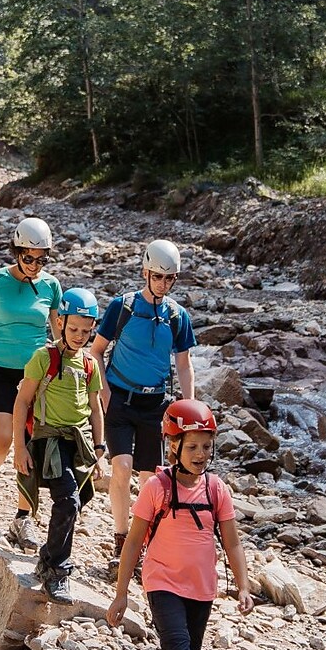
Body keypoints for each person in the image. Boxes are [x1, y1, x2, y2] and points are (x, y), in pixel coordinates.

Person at [107, 399, 254, 650]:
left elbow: (233, 542)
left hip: (202, 590)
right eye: (192, 446)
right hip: (162, 584)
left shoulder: (217, 490)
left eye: (206, 446)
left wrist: (243, 586)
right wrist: (121, 593)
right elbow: (134, 542)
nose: (200, 454)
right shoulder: (157, 488)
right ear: (172, 446)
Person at [90, 238, 197, 571]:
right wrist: (104, 392)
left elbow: (183, 363)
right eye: (157, 276)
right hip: (120, 400)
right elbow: (96, 351)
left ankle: (142, 543)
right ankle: (122, 539)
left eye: (169, 279)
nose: (163, 284)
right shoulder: (122, 307)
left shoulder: (178, 317)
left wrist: (189, 407)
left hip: (155, 406)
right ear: (145, 272)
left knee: (150, 480)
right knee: (121, 468)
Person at [0, 216, 61, 550]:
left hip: (35, 375)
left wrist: (68, 370)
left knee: (30, 448)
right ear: (16, 251)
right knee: (3, 441)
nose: (35, 264)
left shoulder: (51, 286)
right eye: (28, 257)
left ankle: (23, 517)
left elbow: (60, 334)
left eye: (41, 258)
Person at [11, 287, 107, 602]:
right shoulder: (44, 357)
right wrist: (20, 447)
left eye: (86, 330)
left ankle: (47, 557)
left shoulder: (90, 364)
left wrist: (100, 449)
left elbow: (95, 408)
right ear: (61, 322)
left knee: (73, 502)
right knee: (68, 502)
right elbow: (22, 401)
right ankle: (56, 570)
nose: (80, 335)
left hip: (78, 443)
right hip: (50, 440)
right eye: (74, 328)